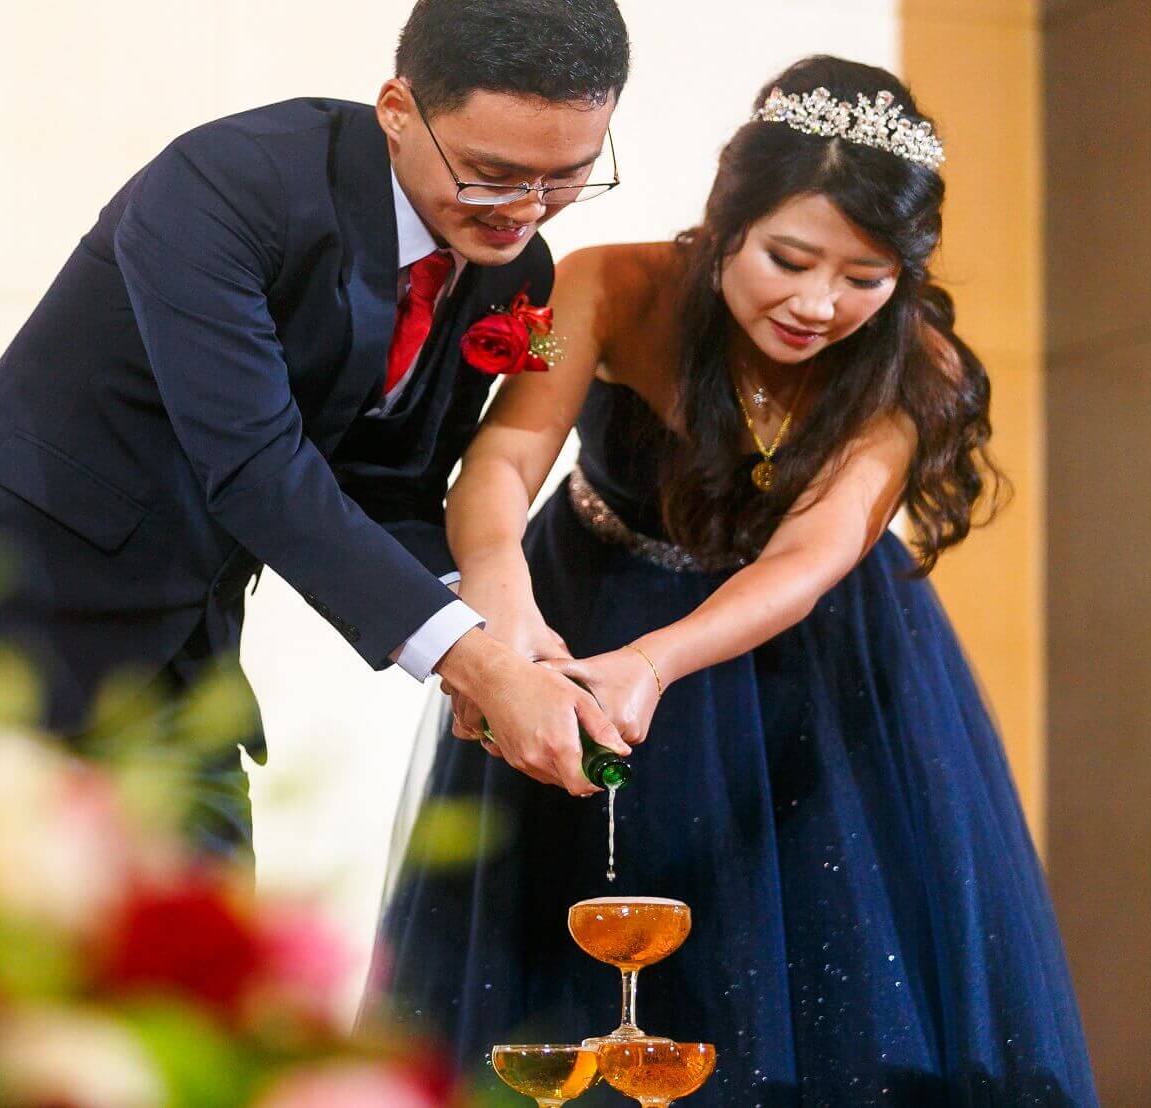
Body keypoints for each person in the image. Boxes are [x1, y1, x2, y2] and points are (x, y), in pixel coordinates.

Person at [375, 56, 1099, 1106]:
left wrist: (653, 663)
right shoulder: (610, 284)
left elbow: (811, 556)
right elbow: (502, 461)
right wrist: (507, 616)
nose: (818, 304)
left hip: (810, 659)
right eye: (789, 258)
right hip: (583, 605)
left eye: (866, 277)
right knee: (559, 965)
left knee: (816, 968)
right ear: (727, 223)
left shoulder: (914, 363)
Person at [0, 0, 633, 859]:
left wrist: (499, 626)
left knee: (203, 964)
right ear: (396, 109)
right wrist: (473, 664)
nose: (526, 210)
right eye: (493, 172)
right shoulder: (231, 182)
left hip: (179, 661)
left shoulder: (509, 264)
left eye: (566, 174)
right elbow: (255, 463)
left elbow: (387, 482)